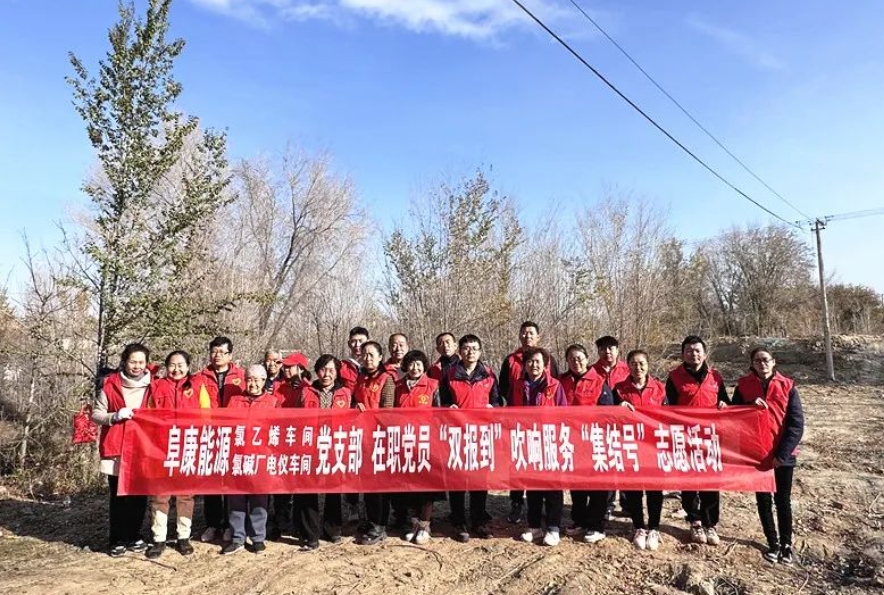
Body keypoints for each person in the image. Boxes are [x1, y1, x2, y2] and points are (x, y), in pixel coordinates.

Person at [732, 347, 804, 565]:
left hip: (783, 455)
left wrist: (782, 455)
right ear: (752, 364)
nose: (762, 364)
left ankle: (787, 544)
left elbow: (796, 424)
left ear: (773, 362)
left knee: (782, 500)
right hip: (757, 454)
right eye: (757, 360)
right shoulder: (744, 386)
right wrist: (748, 406)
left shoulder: (788, 386)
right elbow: (733, 415)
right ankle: (772, 543)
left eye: (765, 360)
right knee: (763, 500)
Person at [142, 350, 213, 559]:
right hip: (162, 448)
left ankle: (183, 536)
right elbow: (148, 417)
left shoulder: (198, 385)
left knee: (185, 495)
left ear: (188, 366)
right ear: (166, 366)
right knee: (160, 495)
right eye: (172, 365)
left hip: (188, 446)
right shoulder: (156, 386)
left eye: (181, 365)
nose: (176, 369)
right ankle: (159, 538)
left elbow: (206, 415)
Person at [665, 335, 729, 546]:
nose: (694, 354)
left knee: (711, 481)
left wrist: (724, 405)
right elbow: (668, 408)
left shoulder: (715, 377)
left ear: (705, 353)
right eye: (689, 351)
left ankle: (710, 524)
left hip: (711, 437)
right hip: (686, 437)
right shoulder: (674, 377)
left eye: (697, 350)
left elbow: (726, 402)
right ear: (683, 354)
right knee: (689, 482)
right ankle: (695, 521)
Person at [92, 342, 153, 557]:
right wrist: (114, 416)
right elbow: (96, 415)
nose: (137, 366)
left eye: (141, 362)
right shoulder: (110, 384)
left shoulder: (153, 385)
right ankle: (116, 539)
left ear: (147, 363)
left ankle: (134, 535)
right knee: (118, 495)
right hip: (117, 446)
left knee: (139, 495)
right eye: (133, 362)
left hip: (143, 448)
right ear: (124, 362)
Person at [440, 334, 503, 542]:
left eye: (475, 348)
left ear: (480, 351)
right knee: (457, 478)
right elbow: (441, 402)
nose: (470, 352)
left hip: (480, 434)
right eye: (466, 348)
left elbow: (497, 401)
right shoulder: (449, 374)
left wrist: (493, 408)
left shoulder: (489, 374)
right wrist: (448, 407)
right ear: (460, 351)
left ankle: (479, 519)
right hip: (457, 433)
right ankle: (458, 520)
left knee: (479, 478)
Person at [499, 321, 560, 523]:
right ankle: (516, 503)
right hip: (519, 423)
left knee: (543, 468)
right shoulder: (510, 360)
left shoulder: (549, 359)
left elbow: (555, 386)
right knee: (518, 464)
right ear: (519, 335)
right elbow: (504, 388)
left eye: (531, 333)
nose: (527, 336)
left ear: (538, 336)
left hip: (545, 426)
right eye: (524, 332)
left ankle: (545, 508)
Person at [293, 355, 352, 550]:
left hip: (335, 445)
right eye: (323, 370)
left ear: (337, 373)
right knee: (308, 490)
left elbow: (352, 419)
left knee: (333, 489)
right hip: (310, 445)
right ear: (317, 371)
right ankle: (310, 534)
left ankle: (332, 529)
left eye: (331, 370)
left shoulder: (346, 393)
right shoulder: (306, 392)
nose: (327, 374)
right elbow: (294, 417)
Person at [613, 349, 667, 551]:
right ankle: (638, 527)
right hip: (631, 445)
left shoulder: (659, 388)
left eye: (642, 363)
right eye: (633, 364)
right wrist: (619, 406)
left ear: (648, 365)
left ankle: (654, 527)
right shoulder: (619, 389)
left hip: (654, 446)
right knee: (633, 489)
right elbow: (609, 414)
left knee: (655, 489)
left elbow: (671, 415)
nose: (638, 367)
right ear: (627, 366)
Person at [559, 343, 614, 543]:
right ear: (567, 361)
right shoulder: (561, 382)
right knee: (577, 483)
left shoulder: (598, 381)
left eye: (580, 358)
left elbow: (608, 412)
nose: (576, 362)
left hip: (594, 439)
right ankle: (579, 520)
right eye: (572, 359)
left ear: (587, 359)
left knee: (598, 484)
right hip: (571, 440)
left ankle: (596, 525)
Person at [222, 365, 280, 555]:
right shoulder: (234, 401)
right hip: (237, 457)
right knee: (236, 499)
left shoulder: (273, 402)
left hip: (261, 457)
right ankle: (237, 537)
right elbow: (226, 426)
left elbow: (278, 430)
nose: (252, 383)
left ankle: (257, 537)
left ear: (264, 381)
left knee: (259, 498)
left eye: (257, 380)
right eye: (249, 379)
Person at [197, 336, 245, 544]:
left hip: (234, 435)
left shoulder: (241, 376)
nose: (217, 356)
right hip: (209, 435)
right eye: (214, 351)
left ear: (230, 355)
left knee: (231, 482)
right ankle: (212, 524)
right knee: (212, 482)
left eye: (222, 352)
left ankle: (229, 524)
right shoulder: (200, 377)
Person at [518, 347, 567, 547]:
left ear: (545, 364)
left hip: (550, 440)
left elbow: (564, 413)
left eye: (538, 361)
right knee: (533, 486)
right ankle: (534, 525)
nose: (534, 365)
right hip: (528, 439)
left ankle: (553, 527)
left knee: (553, 485)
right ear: (524, 365)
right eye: (530, 361)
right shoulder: (519, 385)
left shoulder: (555, 385)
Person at [393, 349, 442, 544]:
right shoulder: (398, 386)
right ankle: (413, 523)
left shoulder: (433, 385)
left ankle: (425, 524)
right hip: (405, 441)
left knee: (427, 485)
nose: (415, 368)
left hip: (426, 441)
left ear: (425, 366)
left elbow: (440, 413)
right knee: (409, 485)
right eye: (411, 364)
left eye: (419, 364)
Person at [353, 341, 397, 545]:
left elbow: (388, 410)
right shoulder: (360, 378)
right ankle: (371, 520)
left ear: (380, 357)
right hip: (362, 436)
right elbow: (354, 401)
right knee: (366, 482)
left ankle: (379, 525)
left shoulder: (387, 379)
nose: (367, 358)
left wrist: (370, 417)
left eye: (372, 354)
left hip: (380, 437)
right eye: (364, 354)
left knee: (379, 484)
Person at [270, 351, 310, 541]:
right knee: (280, 485)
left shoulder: (307, 388)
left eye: (290, 366)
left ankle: (298, 524)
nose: (286, 369)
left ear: (300, 368)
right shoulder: (277, 386)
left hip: (300, 441)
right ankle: (280, 522)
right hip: (280, 439)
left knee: (299, 485)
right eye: (284, 366)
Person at [593, 335, 632, 518]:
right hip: (602, 425)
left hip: (625, 425)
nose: (607, 352)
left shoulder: (628, 369)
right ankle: (608, 504)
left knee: (626, 462)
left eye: (611, 348)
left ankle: (628, 503)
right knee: (607, 463)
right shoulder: (592, 371)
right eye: (603, 349)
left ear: (617, 350)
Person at [340, 327, 369, 391]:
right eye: (353, 341)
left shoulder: (375, 365)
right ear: (349, 344)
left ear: (368, 342)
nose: (357, 345)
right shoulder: (342, 366)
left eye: (361, 341)